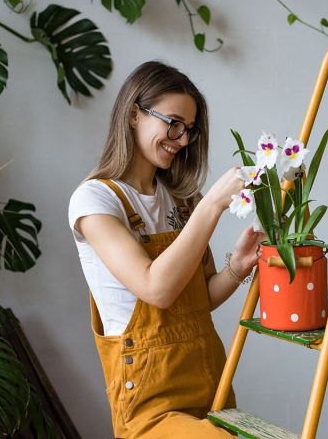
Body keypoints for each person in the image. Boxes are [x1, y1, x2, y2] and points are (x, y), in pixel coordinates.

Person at [68, 60, 264, 438]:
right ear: (133, 115)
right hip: (150, 402)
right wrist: (212, 206)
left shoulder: (182, 199)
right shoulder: (94, 200)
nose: (183, 139)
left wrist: (237, 267)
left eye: (189, 129)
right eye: (173, 123)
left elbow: (198, 299)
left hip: (208, 379)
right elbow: (156, 289)